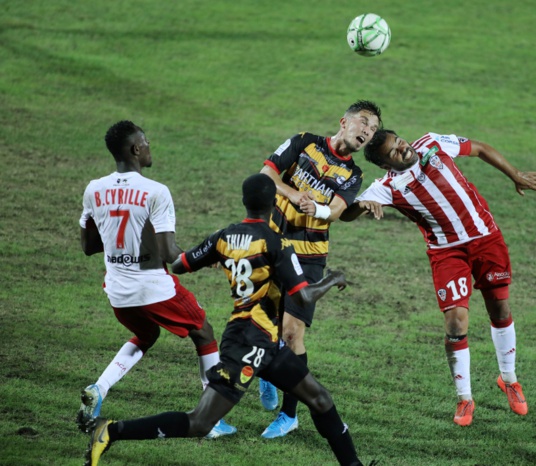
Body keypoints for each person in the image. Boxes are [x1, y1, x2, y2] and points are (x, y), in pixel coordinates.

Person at [84, 173, 366, 466]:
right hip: (248, 343)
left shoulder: (223, 237)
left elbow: (179, 264)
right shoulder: (276, 243)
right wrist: (332, 279)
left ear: (244, 201)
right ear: (274, 203)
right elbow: (304, 297)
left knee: (320, 399)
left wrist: (216, 256)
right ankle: (111, 431)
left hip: (265, 342)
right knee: (200, 422)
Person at [342, 129, 536, 427]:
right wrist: (361, 205)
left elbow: (479, 148)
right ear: (386, 165)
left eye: (398, 141)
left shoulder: (433, 143)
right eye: (393, 151)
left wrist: (514, 174)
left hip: (486, 238)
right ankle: (465, 398)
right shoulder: (386, 186)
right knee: (455, 322)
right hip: (447, 254)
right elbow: (345, 214)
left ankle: (509, 379)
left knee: (500, 309)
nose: (402, 147)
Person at [78, 120, 235, 438]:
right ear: (135, 149)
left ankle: (100, 388)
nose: (150, 146)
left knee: (146, 334)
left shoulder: (94, 189)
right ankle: (212, 420)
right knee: (203, 331)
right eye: (146, 141)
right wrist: (207, 257)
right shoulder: (155, 192)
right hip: (152, 287)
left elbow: (89, 246)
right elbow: (169, 254)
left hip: (117, 291)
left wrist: (122, 243)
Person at [257, 100, 382, 438]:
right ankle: (267, 371)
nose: (367, 132)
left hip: (310, 256)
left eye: (373, 130)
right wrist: (293, 194)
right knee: (263, 323)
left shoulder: (354, 174)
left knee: (291, 333)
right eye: (364, 123)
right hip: (273, 244)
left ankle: (289, 414)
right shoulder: (303, 142)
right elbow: (267, 174)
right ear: (344, 121)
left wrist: (322, 208)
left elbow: (337, 211)